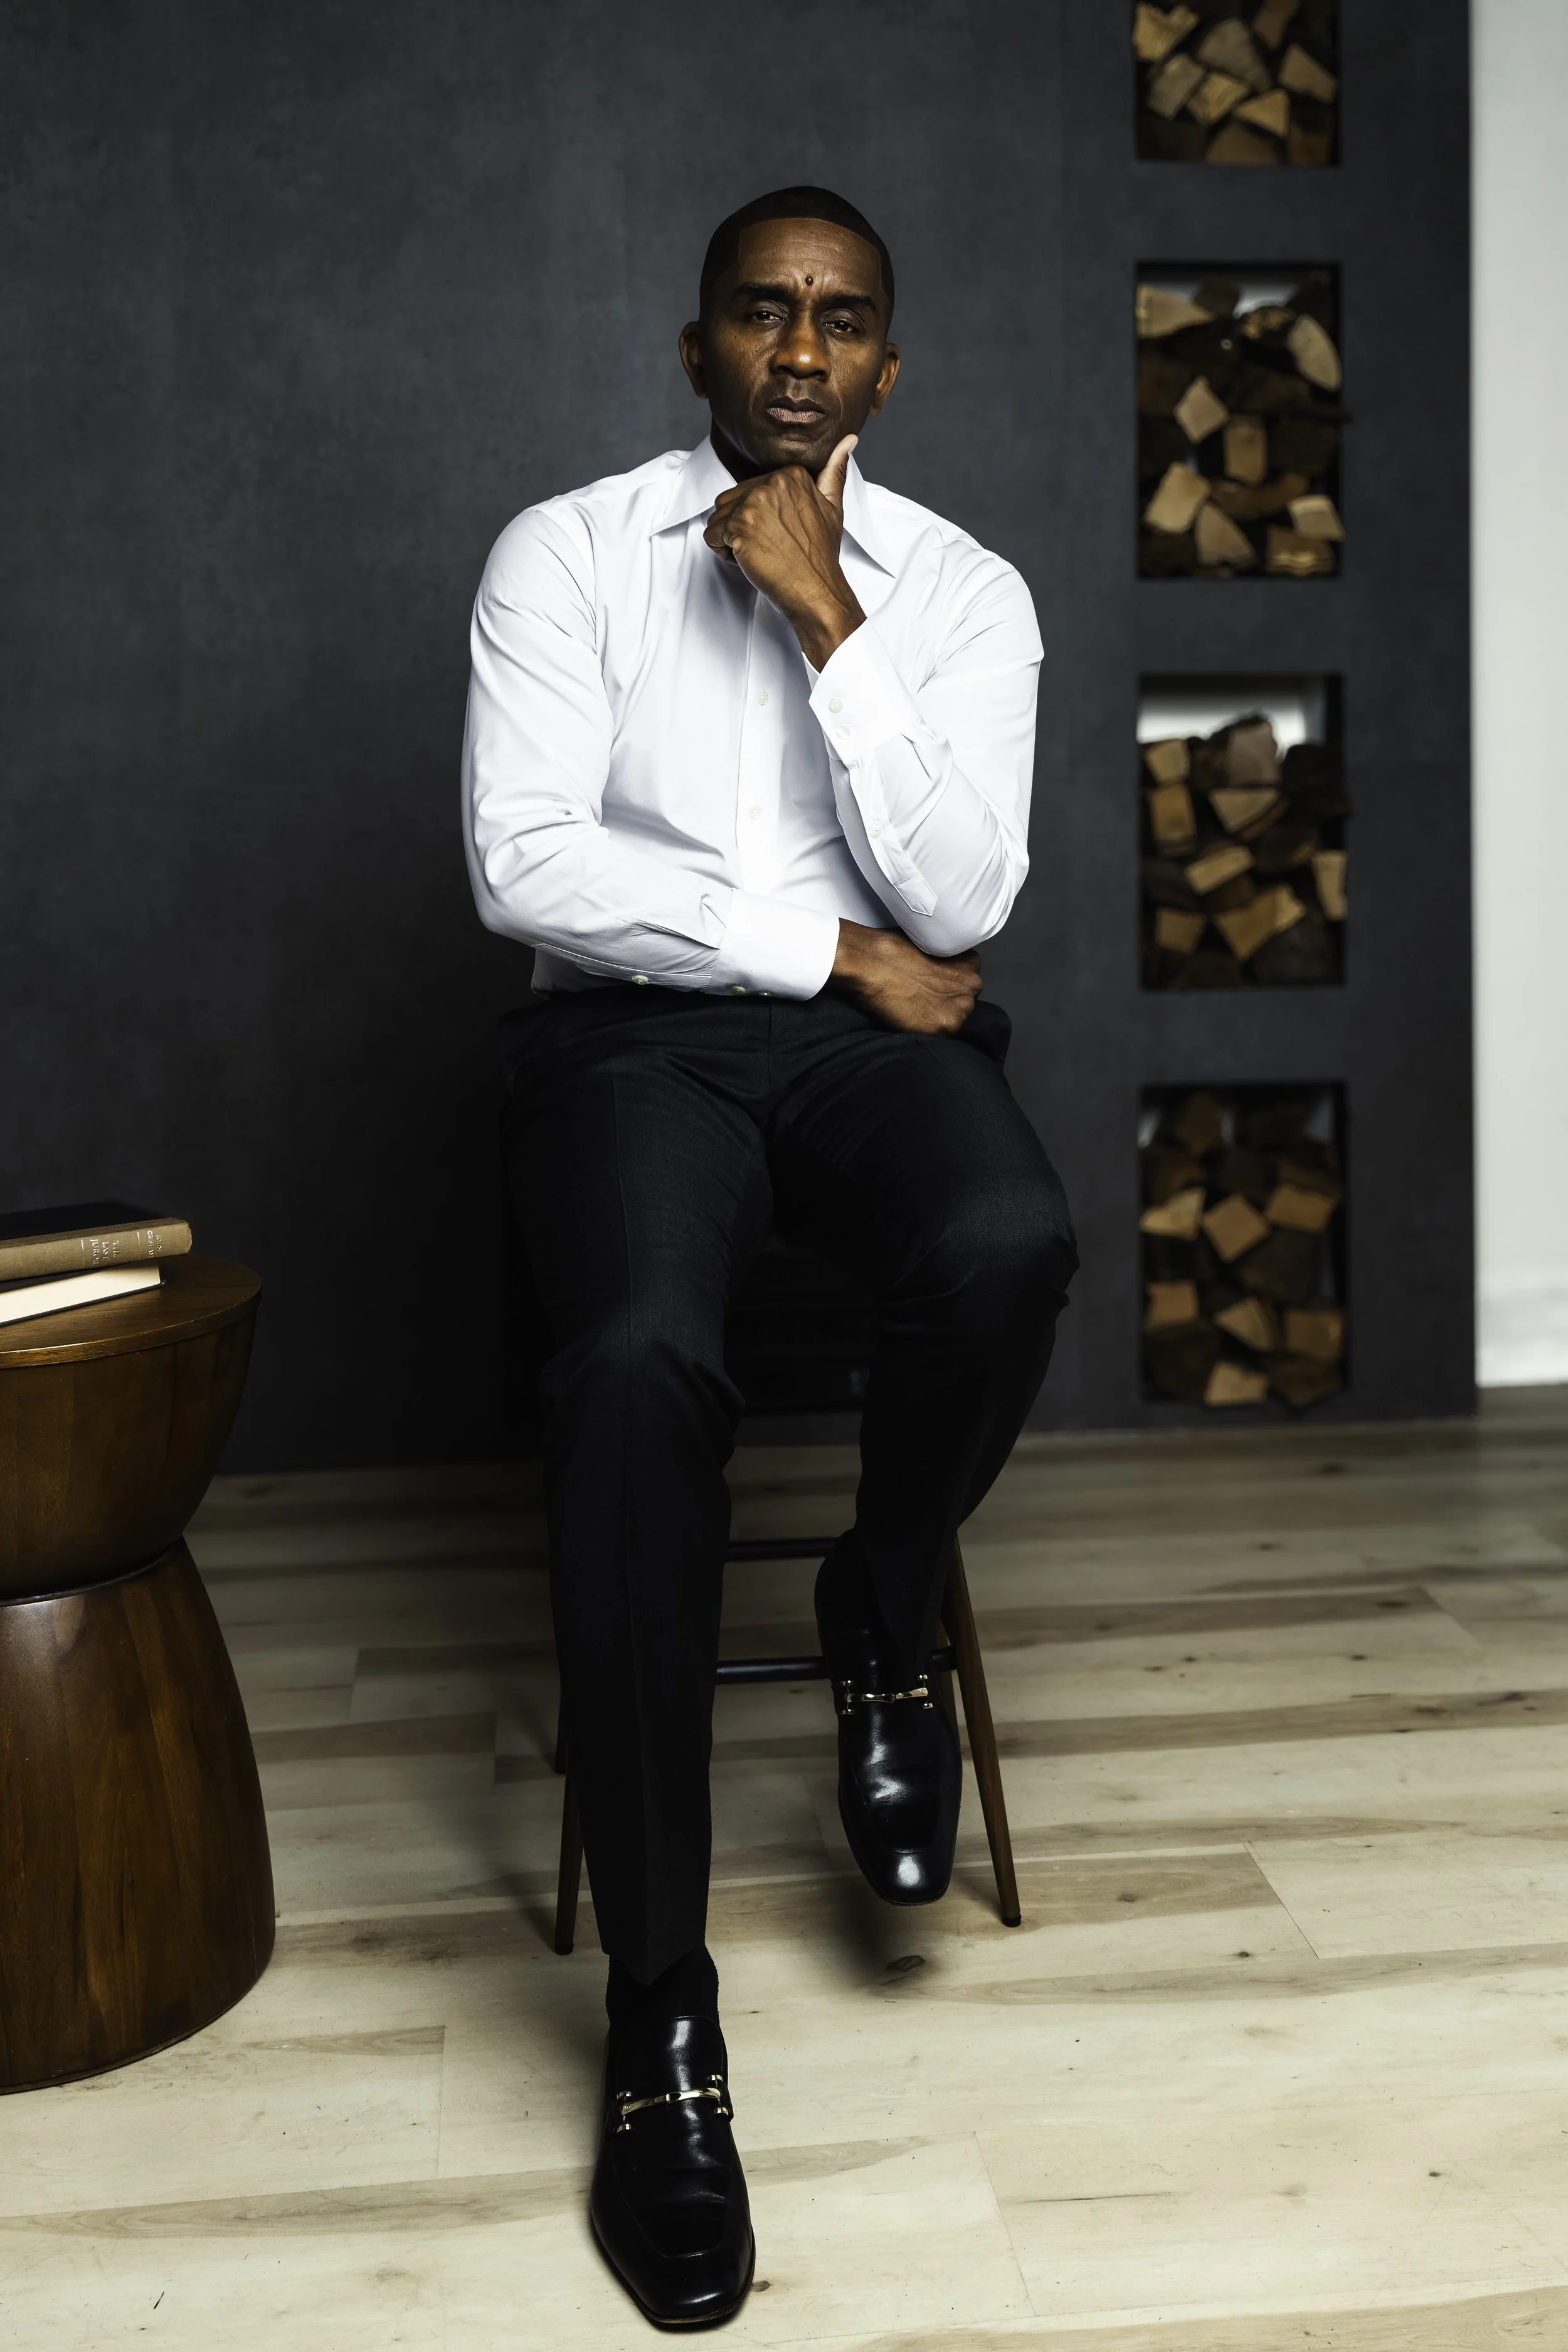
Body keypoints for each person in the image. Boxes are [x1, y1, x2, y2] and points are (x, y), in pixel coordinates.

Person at [462, 184, 1076, 2329]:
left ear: (885, 369)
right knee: (635, 1358)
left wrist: (833, 621)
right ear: (694, 345)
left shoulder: (964, 593)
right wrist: (821, 944)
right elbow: (522, 861)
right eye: (760, 312)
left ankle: (877, 1599)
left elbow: (969, 883)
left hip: (871, 1047)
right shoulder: (562, 554)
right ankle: (661, 2020)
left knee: (1008, 1232)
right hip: (633, 1045)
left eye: (841, 321)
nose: (798, 352)